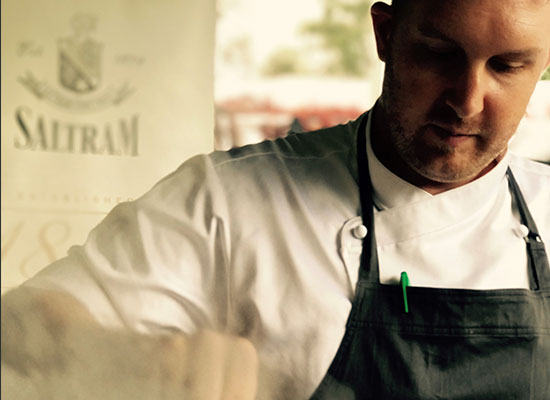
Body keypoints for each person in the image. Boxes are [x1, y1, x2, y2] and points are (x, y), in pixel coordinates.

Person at [3, 0, 550, 398]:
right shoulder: (229, 202)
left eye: (507, 66)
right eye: (438, 55)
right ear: (385, 35)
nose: (467, 101)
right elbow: (16, 329)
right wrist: (124, 356)